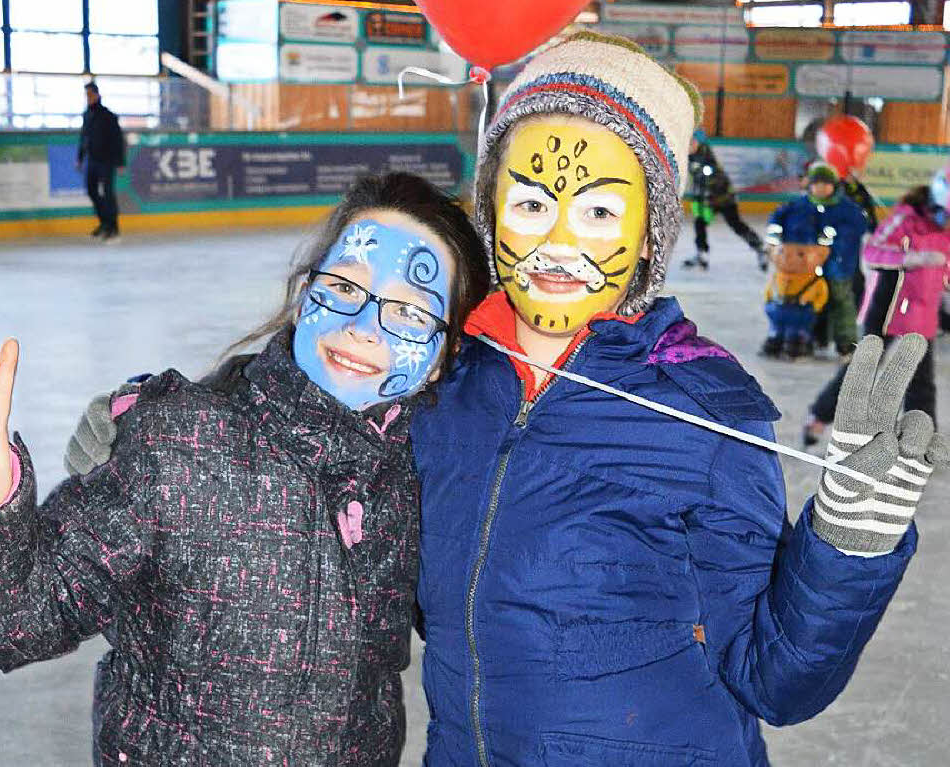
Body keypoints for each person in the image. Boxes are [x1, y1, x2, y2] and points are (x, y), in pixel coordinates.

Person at [69, 33, 948, 766]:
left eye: (601, 213)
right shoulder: (442, 379)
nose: (561, 238)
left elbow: (777, 681)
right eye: (531, 200)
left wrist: (847, 544)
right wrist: (166, 441)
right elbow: (316, 463)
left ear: (651, 235)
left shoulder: (709, 408)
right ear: (492, 212)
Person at [0, 172, 489, 766]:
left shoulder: (421, 471)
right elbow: (15, 621)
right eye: (345, 285)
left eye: (407, 311)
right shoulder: (183, 442)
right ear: (304, 296)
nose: (363, 325)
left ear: (441, 357)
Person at [803, 175, 950, 446]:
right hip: (889, 307)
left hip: (924, 311)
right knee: (864, 368)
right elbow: (872, 252)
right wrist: (911, 259)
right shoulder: (906, 217)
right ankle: (819, 416)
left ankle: (920, 437)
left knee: (922, 381)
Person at [767, 161, 869, 357]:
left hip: (837, 266)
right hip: (805, 267)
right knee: (805, 301)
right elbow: (777, 218)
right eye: (816, 184)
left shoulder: (846, 208)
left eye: (825, 184)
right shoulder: (798, 206)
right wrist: (774, 236)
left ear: (834, 186)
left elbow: (859, 227)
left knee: (841, 301)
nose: (820, 188)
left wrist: (833, 240)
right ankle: (806, 336)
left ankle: (846, 341)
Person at [685, 129, 767, 270]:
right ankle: (702, 252)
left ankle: (759, 247)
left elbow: (712, 179)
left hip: (723, 198)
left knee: (736, 224)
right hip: (706, 200)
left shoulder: (706, 157)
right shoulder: (691, 158)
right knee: (700, 223)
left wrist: (705, 197)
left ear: (699, 143)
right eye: (688, 143)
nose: (689, 146)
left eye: (692, 142)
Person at [760, 233, 831, 359]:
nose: (788, 258)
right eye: (781, 252)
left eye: (801, 254)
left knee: (796, 332)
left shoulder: (814, 280)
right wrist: (768, 303)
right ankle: (775, 341)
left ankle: (796, 344)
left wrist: (815, 307)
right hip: (778, 309)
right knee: (777, 330)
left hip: (801, 311)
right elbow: (770, 290)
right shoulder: (778, 277)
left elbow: (822, 294)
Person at [78, 82, 125, 242]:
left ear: (97, 95)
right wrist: (80, 158)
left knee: (107, 193)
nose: (88, 98)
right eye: (86, 95)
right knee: (92, 191)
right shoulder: (87, 115)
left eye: (90, 94)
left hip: (107, 160)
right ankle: (104, 223)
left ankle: (113, 227)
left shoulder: (108, 116)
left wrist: (120, 162)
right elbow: (84, 138)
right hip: (92, 160)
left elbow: (118, 139)